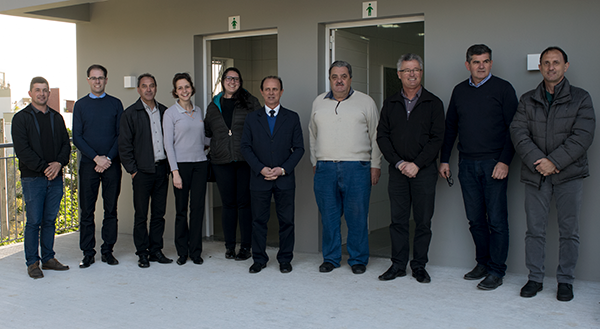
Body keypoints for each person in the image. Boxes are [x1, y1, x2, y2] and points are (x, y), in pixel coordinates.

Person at [510, 46, 595, 302]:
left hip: (569, 175)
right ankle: (534, 278)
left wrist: (554, 162)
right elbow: (518, 132)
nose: (551, 67)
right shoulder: (527, 99)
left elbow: (583, 136)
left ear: (565, 66)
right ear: (540, 67)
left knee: (569, 230)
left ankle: (565, 281)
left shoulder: (581, 98)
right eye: (546, 63)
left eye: (556, 62)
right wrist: (540, 162)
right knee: (534, 230)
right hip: (536, 174)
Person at [438, 44, 518, 290]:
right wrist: (444, 159)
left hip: (494, 163)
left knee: (496, 220)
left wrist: (504, 161)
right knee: (475, 220)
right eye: (476, 62)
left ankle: (496, 270)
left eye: (485, 61)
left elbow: (514, 130)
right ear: (467, 65)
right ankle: (482, 263)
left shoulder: (503, 89)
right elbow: (451, 127)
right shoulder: (459, 91)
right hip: (467, 164)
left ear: (491, 63)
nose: (481, 66)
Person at [376, 54, 445, 284]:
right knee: (398, 220)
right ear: (399, 75)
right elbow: (382, 137)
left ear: (421, 73)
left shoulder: (433, 103)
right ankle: (397, 265)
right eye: (407, 70)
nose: (412, 74)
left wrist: (417, 164)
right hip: (398, 172)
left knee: (423, 221)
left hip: (423, 172)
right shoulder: (391, 103)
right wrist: (399, 163)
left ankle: (419, 266)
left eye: (415, 69)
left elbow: (437, 139)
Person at [309, 60, 382, 274]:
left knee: (357, 216)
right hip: (325, 167)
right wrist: (316, 161)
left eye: (343, 76)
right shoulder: (318, 102)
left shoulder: (365, 102)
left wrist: (375, 164)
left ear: (350, 78)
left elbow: (376, 135)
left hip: (357, 167)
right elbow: (312, 134)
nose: (339, 80)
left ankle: (358, 259)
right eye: (334, 76)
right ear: (330, 79)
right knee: (329, 216)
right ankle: (331, 258)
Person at [240, 76, 304, 274]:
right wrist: (260, 168)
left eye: (275, 89)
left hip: (284, 179)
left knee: (287, 221)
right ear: (261, 92)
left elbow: (300, 148)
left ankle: (285, 259)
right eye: (267, 89)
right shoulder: (252, 118)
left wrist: (282, 169)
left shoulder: (292, 117)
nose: (271, 93)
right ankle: (259, 259)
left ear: (281, 92)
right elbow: (245, 147)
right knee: (259, 221)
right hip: (260, 179)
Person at [12, 77, 70, 278]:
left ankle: (48, 259)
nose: (42, 93)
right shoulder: (21, 119)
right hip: (33, 179)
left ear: (49, 93)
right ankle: (32, 263)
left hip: (55, 178)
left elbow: (66, 146)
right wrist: (46, 167)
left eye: (45, 90)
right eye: (37, 90)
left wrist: (58, 164)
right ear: (30, 93)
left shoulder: (56, 117)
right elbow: (23, 151)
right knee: (34, 221)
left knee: (50, 220)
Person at [204, 67, 261, 261]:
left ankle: (246, 246)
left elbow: (259, 127)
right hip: (221, 161)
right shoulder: (214, 105)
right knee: (228, 204)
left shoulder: (250, 102)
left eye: (236, 79)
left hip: (245, 160)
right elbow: (208, 130)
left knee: (244, 204)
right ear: (223, 81)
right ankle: (229, 246)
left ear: (240, 81)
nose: (232, 81)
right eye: (229, 78)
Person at [119, 73, 173, 268]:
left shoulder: (165, 112)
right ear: (139, 89)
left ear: (156, 88)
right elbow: (124, 146)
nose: (148, 89)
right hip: (142, 173)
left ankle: (156, 251)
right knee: (141, 215)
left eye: (151, 86)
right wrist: (133, 170)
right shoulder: (130, 113)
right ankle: (142, 252)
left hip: (161, 170)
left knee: (159, 214)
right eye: (144, 86)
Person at [73, 64, 123, 268]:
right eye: (93, 78)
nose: (97, 81)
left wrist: (107, 158)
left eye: (100, 78)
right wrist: (96, 158)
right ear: (88, 80)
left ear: (106, 80)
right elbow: (77, 136)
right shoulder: (80, 105)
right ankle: (88, 252)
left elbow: (121, 135)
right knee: (87, 210)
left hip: (111, 164)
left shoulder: (115, 103)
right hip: (88, 165)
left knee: (111, 209)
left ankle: (108, 251)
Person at [163, 73, 209, 266]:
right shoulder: (170, 114)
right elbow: (168, 145)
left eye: (187, 87)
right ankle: (182, 252)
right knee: (181, 210)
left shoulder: (199, 111)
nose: (184, 91)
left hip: (200, 164)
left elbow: (204, 139)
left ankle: (196, 252)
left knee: (197, 209)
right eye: (180, 88)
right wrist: (175, 172)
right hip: (180, 166)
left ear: (192, 88)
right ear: (175, 91)